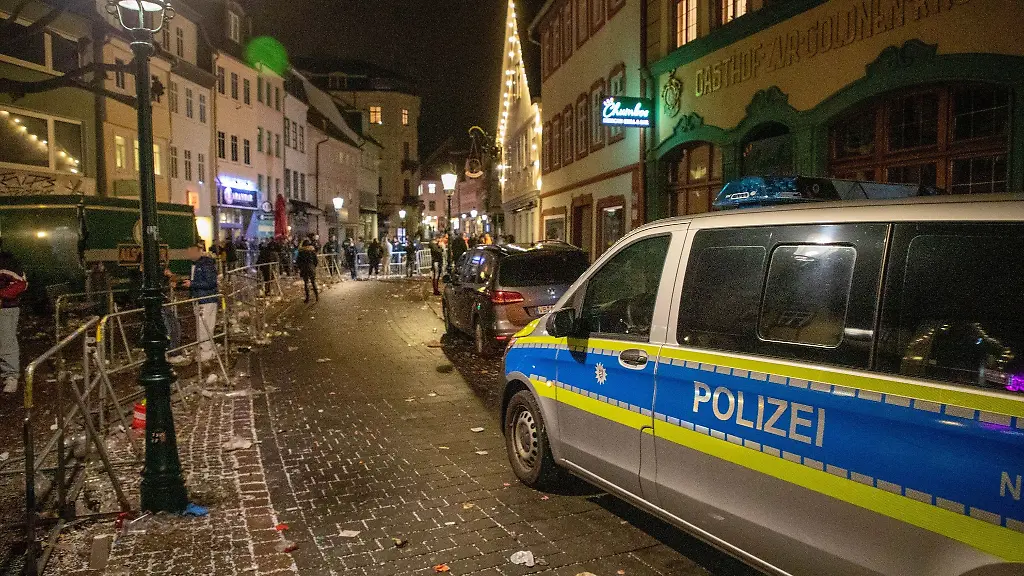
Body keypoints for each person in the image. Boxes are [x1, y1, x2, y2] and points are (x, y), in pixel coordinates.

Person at [183, 242, 219, 363]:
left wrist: (192, 284)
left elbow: (211, 283)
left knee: (204, 325)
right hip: (200, 298)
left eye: (192, 252)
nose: (190, 255)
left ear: (198, 252)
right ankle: (206, 349)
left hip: (206, 299)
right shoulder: (196, 264)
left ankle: (206, 351)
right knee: (203, 325)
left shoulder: (205, 264)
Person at [0, 239, 27, 394]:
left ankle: (11, 377)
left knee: (6, 343)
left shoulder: (7, 262)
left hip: (5, 309)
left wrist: (2, 295)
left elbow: (21, 283)